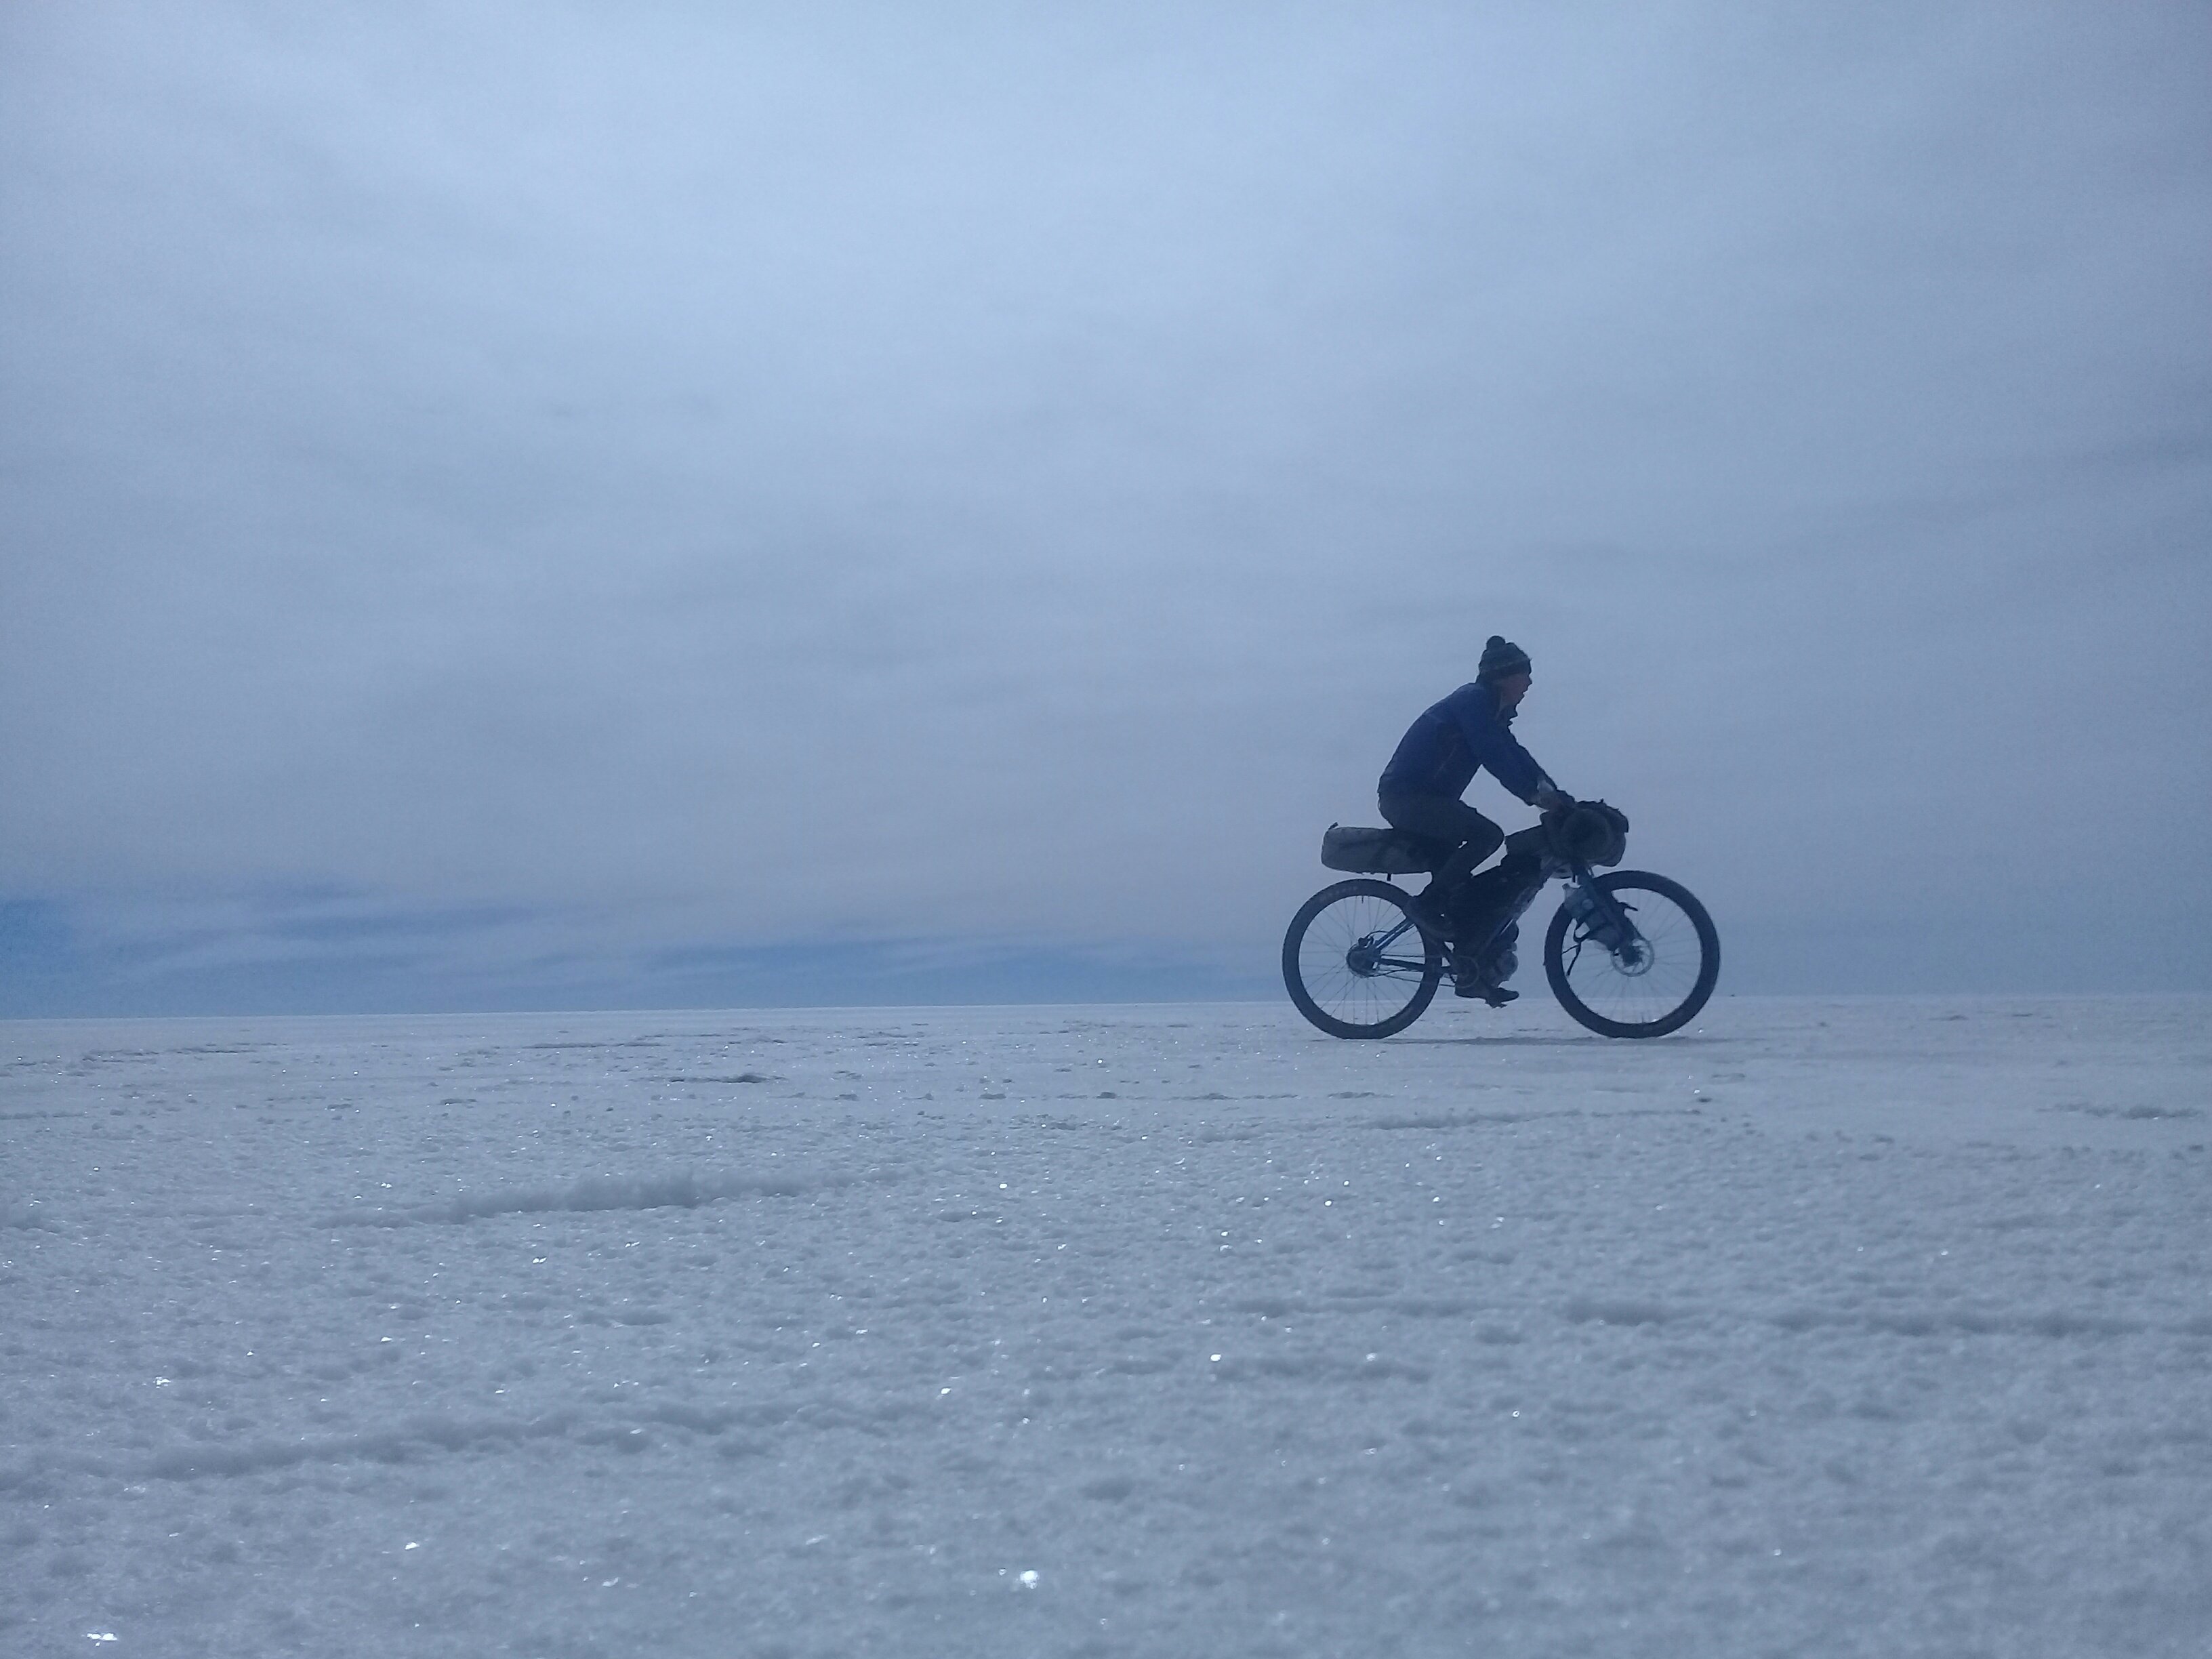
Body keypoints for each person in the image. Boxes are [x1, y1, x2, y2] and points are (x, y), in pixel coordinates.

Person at [1378, 635, 1570, 1001]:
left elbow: (1517, 756)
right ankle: (1425, 905)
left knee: (1471, 902)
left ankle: (1473, 976)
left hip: (1429, 802)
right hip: (1405, 798)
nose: (1529, 683)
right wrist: (1535, 795)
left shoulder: (1491, 713)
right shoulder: (1472, 702)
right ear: (1503, 676)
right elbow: (1493, 753)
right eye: (1524, 674)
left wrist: (1557, 796)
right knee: (1487, 836)